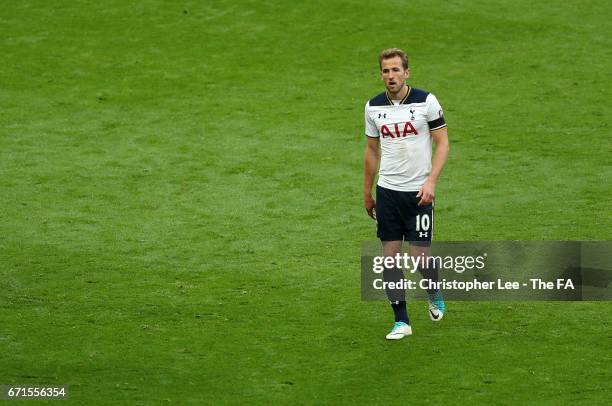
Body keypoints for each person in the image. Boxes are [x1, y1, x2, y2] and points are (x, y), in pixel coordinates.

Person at [363, 48, 450, 340]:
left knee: (419, 257)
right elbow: (371, 151)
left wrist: (431, 182)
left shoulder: (426, 101)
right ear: (381, 74)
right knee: (389, 258)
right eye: (386, 71)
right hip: (387, 192)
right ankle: (402, 321)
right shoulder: (373, 107)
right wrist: (367, 191)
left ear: (406, 72)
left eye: (395, 70)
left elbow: (443, 144)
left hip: (418, 194)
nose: (391, 76)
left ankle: (433, 289)